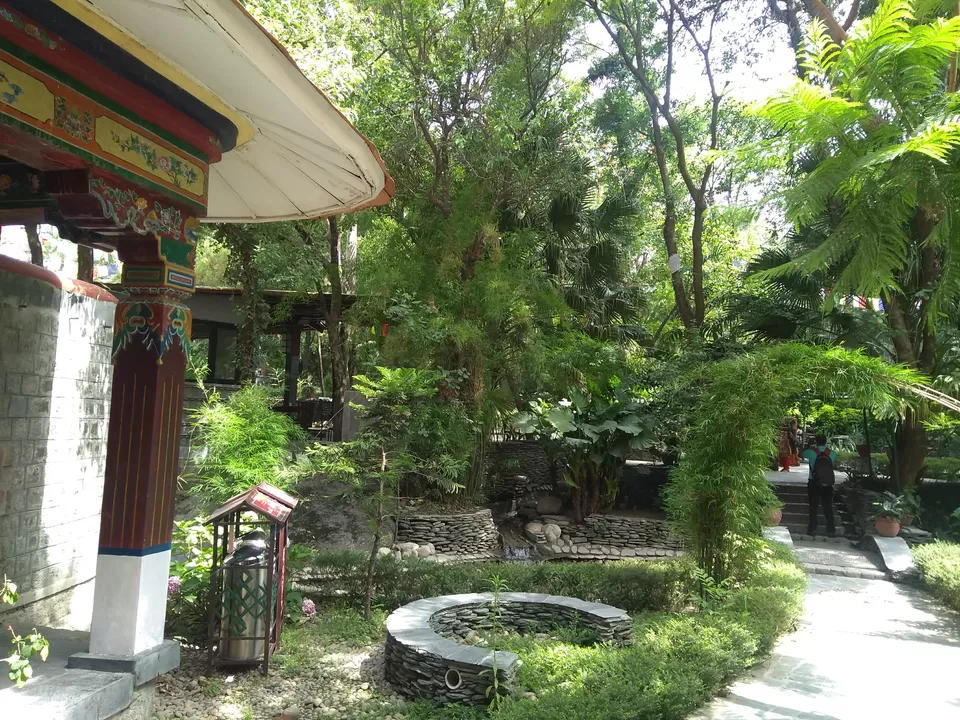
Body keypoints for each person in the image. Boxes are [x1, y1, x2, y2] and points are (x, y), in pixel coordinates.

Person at [801, 433, 837, 536]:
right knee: (828, 506)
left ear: (816, 441)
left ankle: (812, 529)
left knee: (813, 506)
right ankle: (831, 530)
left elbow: (800, 454)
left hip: (813, 482)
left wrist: (808, 445)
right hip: (827, 483)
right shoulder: (832, 453)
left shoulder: (811, 452)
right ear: (826, 441)